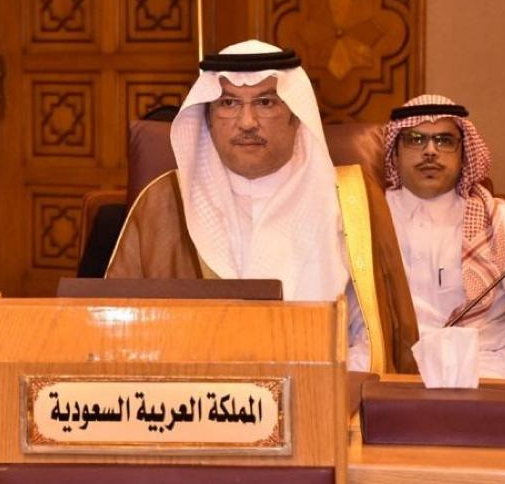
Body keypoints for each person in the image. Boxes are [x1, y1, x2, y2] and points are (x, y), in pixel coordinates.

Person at [106, 39, 419, 373]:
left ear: (296, 115)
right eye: (228, 103)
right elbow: (115, 334)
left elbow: (374, 339)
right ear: (208, 119)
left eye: (266, 102)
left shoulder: (351, 200)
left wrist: (315, 384)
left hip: (322, 390)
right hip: (191, 397)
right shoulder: (162, 202)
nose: (247, 122)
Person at [381, 94, 505, 381]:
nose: (430, 151)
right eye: (415, 139)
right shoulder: (364, 218)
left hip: (482, 366)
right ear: (395, 154)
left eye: (445, 140)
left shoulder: (503, 221)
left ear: (463, 155)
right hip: (385, 365)